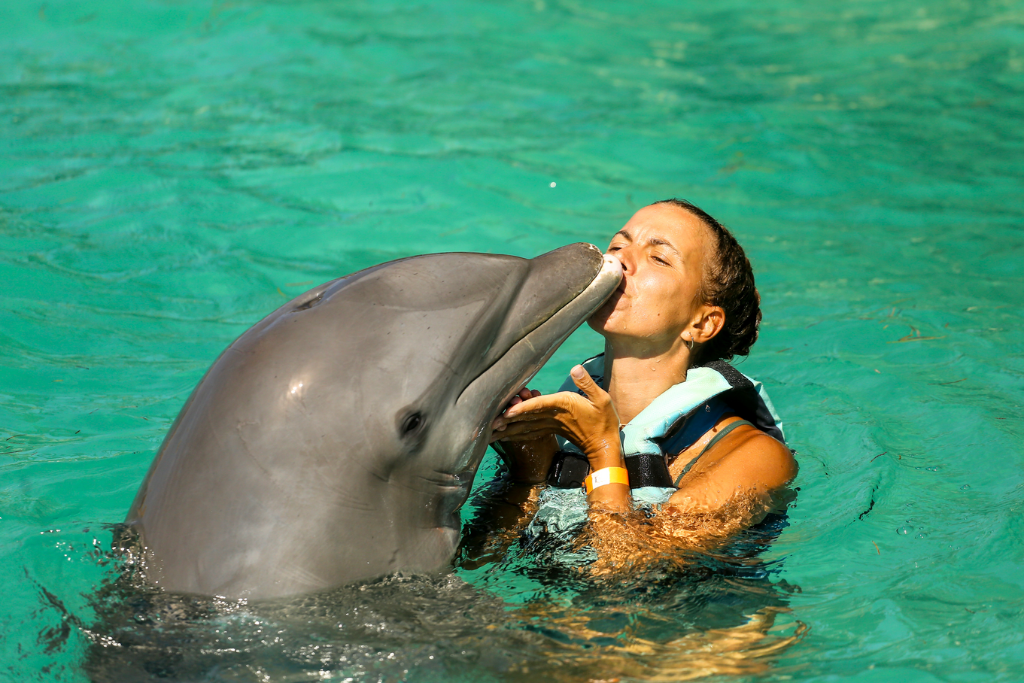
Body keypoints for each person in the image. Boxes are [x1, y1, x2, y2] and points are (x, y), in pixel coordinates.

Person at [487, 199, 796, 535]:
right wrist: (532, 468)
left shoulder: (756, 457)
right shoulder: (565, 430)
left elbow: (625, 576)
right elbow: (477, 563)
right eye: (618, 245)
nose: (619, 259)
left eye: (658, 258)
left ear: (702, 323)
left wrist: (602, 451)